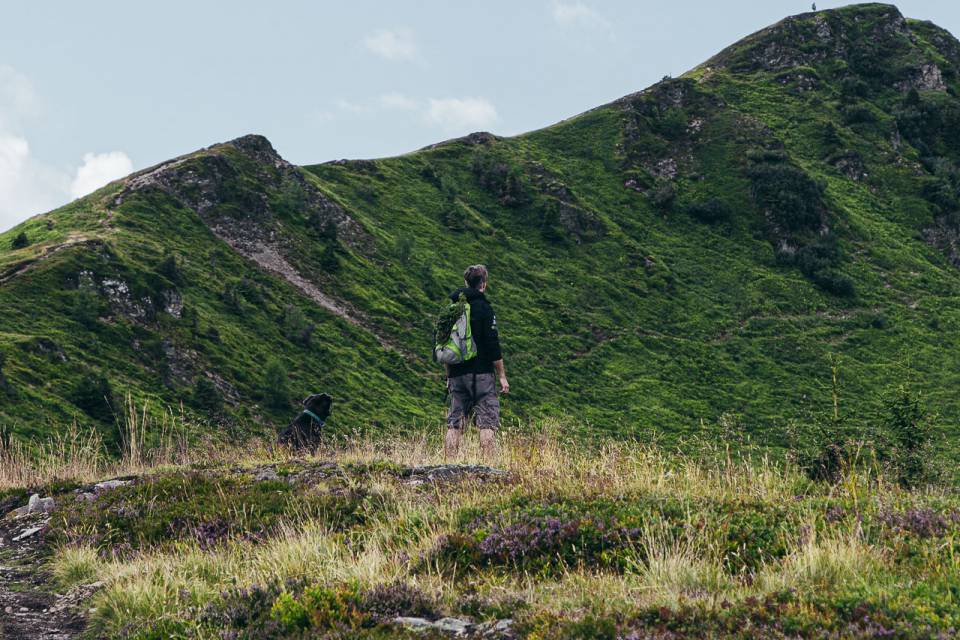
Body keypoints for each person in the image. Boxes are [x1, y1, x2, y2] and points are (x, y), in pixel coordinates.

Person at [445, 264, 509, 459]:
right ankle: (488, 466)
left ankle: (448, 464)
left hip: (456, 373)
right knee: (487, 420)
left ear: (466, 282)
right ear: (484, 284)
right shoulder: (484, 308)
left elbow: (445, 343)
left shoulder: (453, 309)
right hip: (481, 373)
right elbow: (493, 345)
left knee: (455, 421)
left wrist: (449, 375)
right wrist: (502, 376)